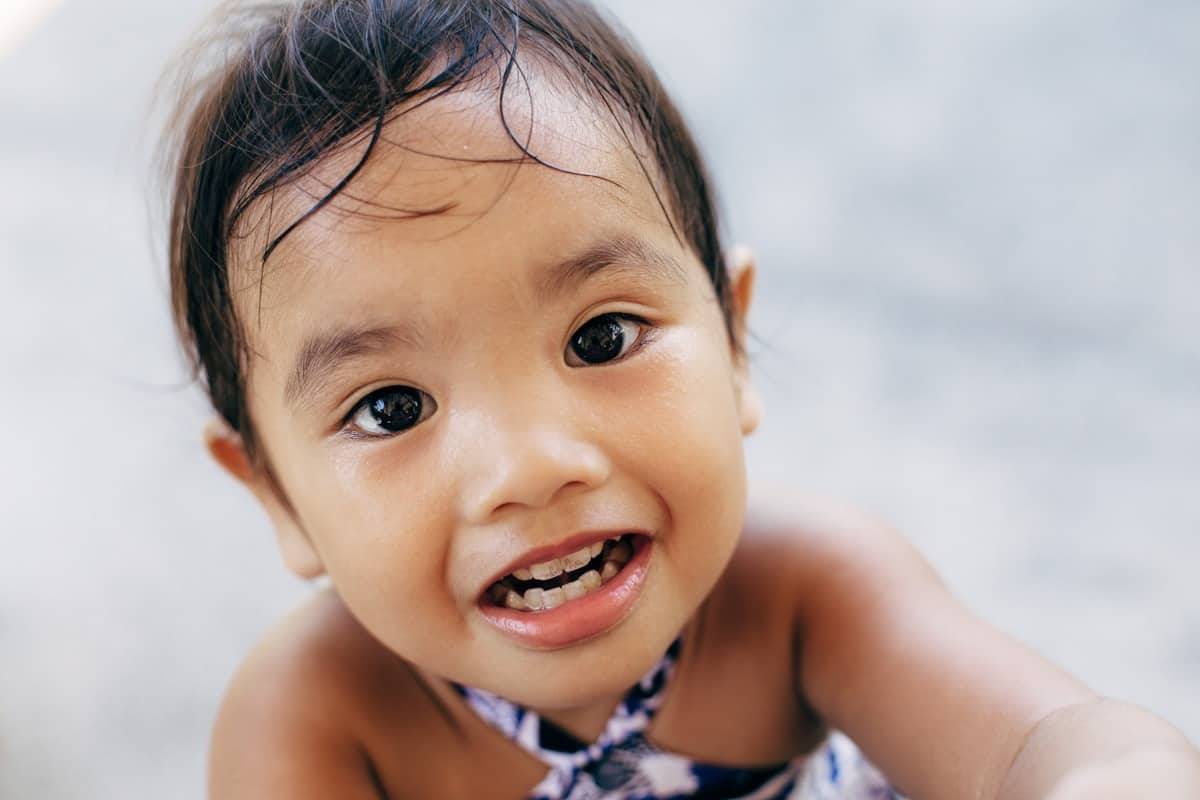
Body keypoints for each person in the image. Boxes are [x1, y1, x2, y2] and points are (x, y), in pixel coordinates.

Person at [160, 1, 1200, 797]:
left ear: (733, 340)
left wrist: (1116, 774)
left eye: (601, 336)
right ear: (277, 494)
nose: (531, 463)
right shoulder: (316, 715)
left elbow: (1041, 740)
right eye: (390, 407)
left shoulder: (804, 590)